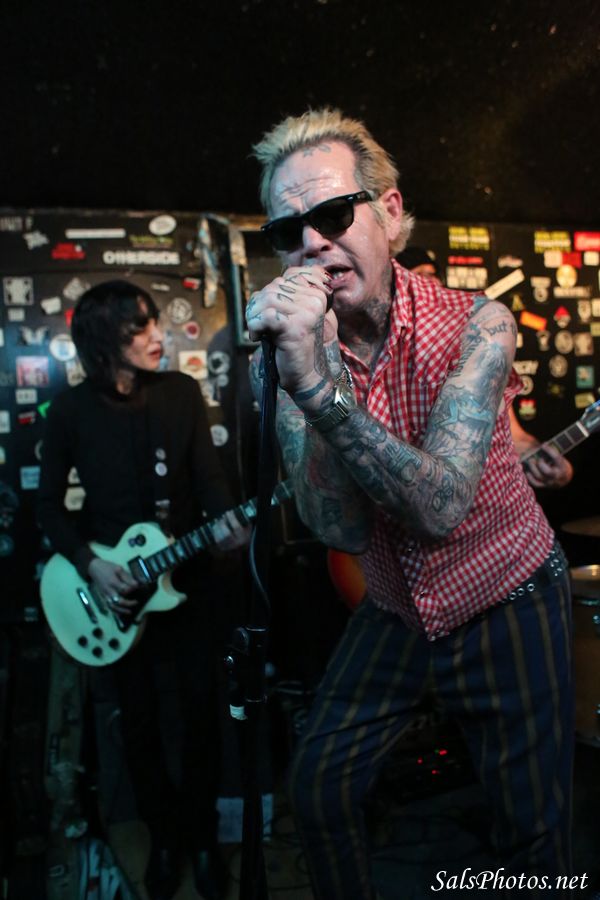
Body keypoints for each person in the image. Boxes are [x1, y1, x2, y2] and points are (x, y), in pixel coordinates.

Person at [245, 108, 574, 899]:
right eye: (288, 230)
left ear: (388, 213)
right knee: (319, 787)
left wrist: (317, 395)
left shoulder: (477, 324)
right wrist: (306, 372)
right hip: (396, 603)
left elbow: (441, 507)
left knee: (530, 827)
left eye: (333, 214)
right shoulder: (295, 353)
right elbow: (337, 525)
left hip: (506, 591)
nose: (311, 242)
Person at [37, 280, 247, 900]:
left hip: (186, 584)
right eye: (141, 328)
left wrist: (229, 525)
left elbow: (210, 484)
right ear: (106, 342)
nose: (159, 336)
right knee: (139, 724)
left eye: (156, 322)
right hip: (117, 597)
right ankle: (164, 838)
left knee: (201, 715)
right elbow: (47, 506)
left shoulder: (180, 393)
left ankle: (202, 840)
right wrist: (89, 565)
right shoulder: (70, 411)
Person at [396, 245, 574, 490]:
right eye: (421, 275)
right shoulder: (392, 359)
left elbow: (515, 437)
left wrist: (548, 461)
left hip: (489, 502)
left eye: (434, 274)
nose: (433, 282)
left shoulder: (473, 345)